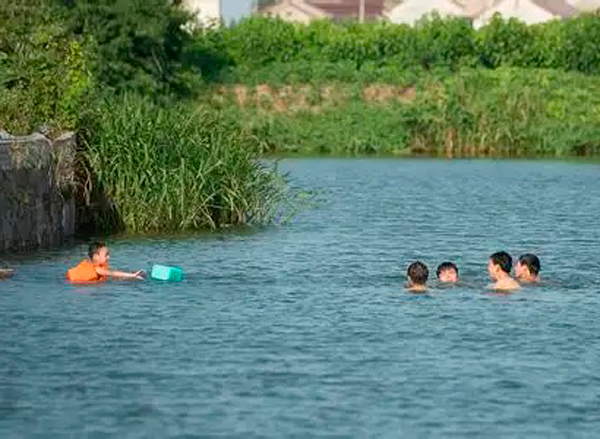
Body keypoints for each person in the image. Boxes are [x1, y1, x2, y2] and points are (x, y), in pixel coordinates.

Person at [67, 242, 144, 282]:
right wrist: (132, 275)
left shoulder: (89, 264)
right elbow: (112, 273)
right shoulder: (97, 269)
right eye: (106, 255)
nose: (109, 257)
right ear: (96, 256)